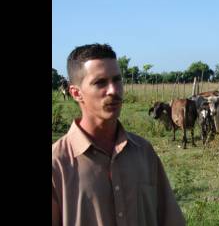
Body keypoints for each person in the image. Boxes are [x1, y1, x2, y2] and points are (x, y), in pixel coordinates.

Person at [52, 43, 185, 226]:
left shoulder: (144, 152)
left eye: (117, 80)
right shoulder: (57, 164)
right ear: (76, 93)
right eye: (100, 83)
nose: (114, 91)